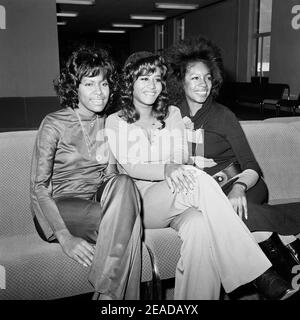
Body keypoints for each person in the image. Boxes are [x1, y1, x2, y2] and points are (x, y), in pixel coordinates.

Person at [105, 51, 299, 300]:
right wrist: (166, 168)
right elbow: (132, 166)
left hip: (178, 195)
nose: (151, 85)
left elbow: (180, 153)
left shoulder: (172, 113)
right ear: (129, 82)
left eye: (156, 78)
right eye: (143, 79)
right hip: (142, 201)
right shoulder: (115, 121)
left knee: (200, 228)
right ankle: (261, 276)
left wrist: (175, 166)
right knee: (195, 177)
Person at [166, 36, 300, 282]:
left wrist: (238, 187)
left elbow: (252, 167)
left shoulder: (222, 116)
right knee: (217, 216)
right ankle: (285, 250)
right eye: (195, 77)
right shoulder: (171, 114)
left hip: (240, 184)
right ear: (180, 80)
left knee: (230, 215)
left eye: (207, 78)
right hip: (204, 193)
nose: (203, 84)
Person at [30, 47, 142, 300]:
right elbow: (39, 188)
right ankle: (109, 297)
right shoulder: (54, 123)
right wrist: (64, 237)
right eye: (89, 84)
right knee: (129, 223)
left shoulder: (111, 122)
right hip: (59, 206)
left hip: (99, 204)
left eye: (103, 83)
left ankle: (107, 295)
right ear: (74, 87)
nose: (99, 92)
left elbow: (113, 177)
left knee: (124, 183)